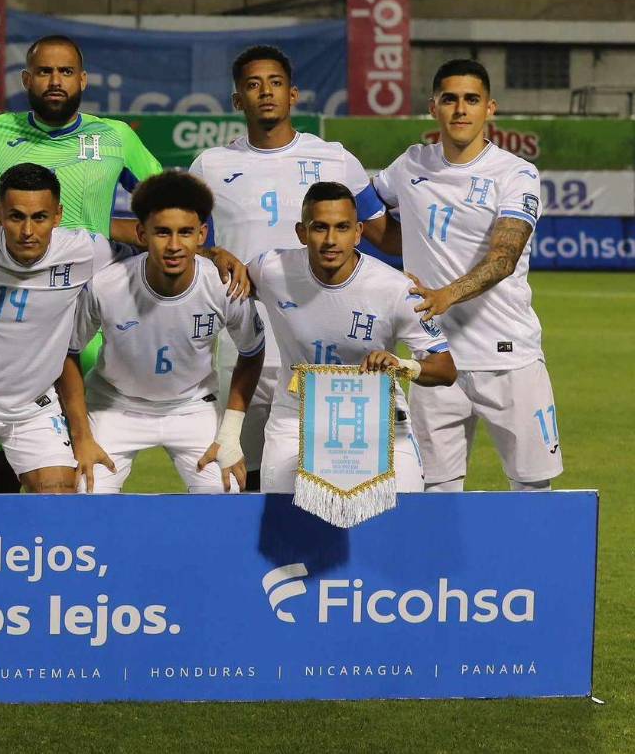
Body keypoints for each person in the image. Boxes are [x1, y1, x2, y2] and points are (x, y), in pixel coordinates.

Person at [0, 35, 247, 493]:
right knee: (2, 462)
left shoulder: (113, 138)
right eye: (45, 72)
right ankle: (6, 556)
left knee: (78, 467)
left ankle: (72, 554)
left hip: (93, 311)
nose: (56, 81)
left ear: (83, 79)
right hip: (16, 315)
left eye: (66, 72)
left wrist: (208, 251)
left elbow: (166, 205)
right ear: (27, 79)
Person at [189, 44, 383, 490]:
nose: (266, 93)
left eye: (275, 83)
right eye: (253, 85)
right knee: (241, 475)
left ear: (293, 94)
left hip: (324, 348)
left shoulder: (336, 158)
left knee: (333, 478)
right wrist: (213, 253)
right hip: (243, 347)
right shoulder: (210, 165)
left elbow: (380, 236)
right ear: (238, 100)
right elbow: (184, 241)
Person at [362, 59, 561, 492]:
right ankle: (441, 565)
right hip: (434, 360)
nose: (460, 110)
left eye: (471, 100)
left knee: (533, 489)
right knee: (434, 491)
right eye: (449, 99)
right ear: (433, 107)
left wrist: (446, 295)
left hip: (508, 357)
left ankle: (525, 563)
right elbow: (365, 210)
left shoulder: (515, 173)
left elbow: (504, 257)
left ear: (490, 108)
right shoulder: (411, 164)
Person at [0, 164, 132, 494]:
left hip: (33, 408)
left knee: (60, 507)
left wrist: (211, 254)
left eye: (40, 217)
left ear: (57, 216)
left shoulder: (85, 250)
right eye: (16, 217)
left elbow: (150, 256)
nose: (28, 230)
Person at [59, 171, 266, 494]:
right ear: (142, 233)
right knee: (87, 493)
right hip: (115, 405)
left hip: (193, 407)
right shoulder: (106, 285)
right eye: (162, 233)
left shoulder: (224, 286)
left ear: (202, 235)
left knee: (223, 492)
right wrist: (82, 436)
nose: (173, 245)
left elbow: (252, 353)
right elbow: (67, 352)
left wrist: (230, 432)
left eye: (185, 233)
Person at [250, 182, 457, 493]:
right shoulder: (270, 270)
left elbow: (446, 369)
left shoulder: (394, 288)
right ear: (301, 233)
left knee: (402, 513)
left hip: (379, 418)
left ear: (358, 232)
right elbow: (218, 281)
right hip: (297, 417)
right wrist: (217, 255)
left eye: (342, 228)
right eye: (319, 228)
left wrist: (400, 365)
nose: (331, 240)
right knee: (283, 518)